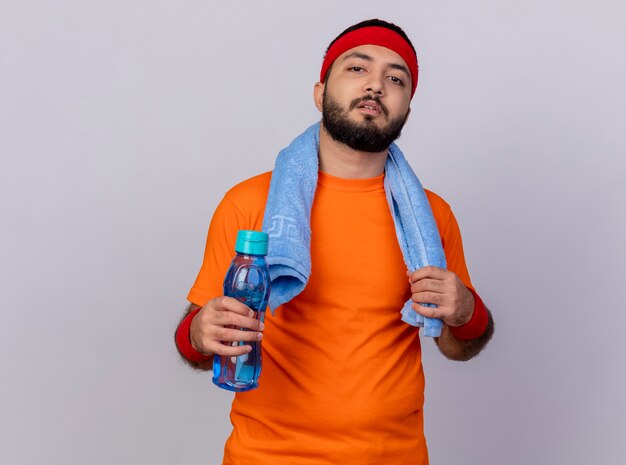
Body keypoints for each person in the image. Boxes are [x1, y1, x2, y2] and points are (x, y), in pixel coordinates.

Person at [174, 19, 494, 465]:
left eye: (395, 78)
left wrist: (465, 310)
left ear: (406, 108)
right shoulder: (249, 203)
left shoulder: (431, 217)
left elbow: (458, 344)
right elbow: (196, 345)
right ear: (320, 93)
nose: (376, 86)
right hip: (266, 456)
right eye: (357, 69)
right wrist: (200, 332)